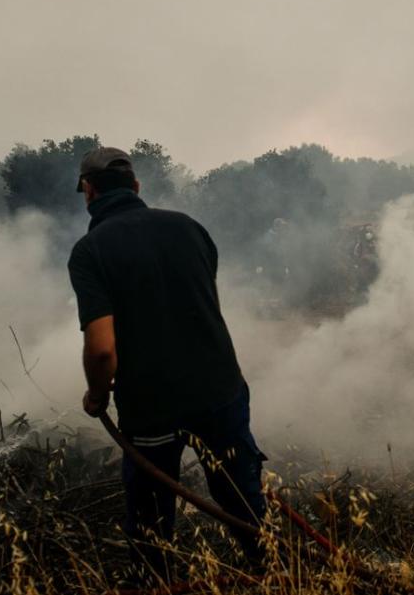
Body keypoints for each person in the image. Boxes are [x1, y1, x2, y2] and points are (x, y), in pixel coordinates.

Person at [67, 147, 266, 582]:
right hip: (220, 392)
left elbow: (102, 349)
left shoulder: (90, 251)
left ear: (89, 191)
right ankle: (275, 573)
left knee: (152, 519)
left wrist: (97, 395)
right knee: (242, 497)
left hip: (151, 406)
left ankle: (155, 584)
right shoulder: (189, 228)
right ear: (136, 187)